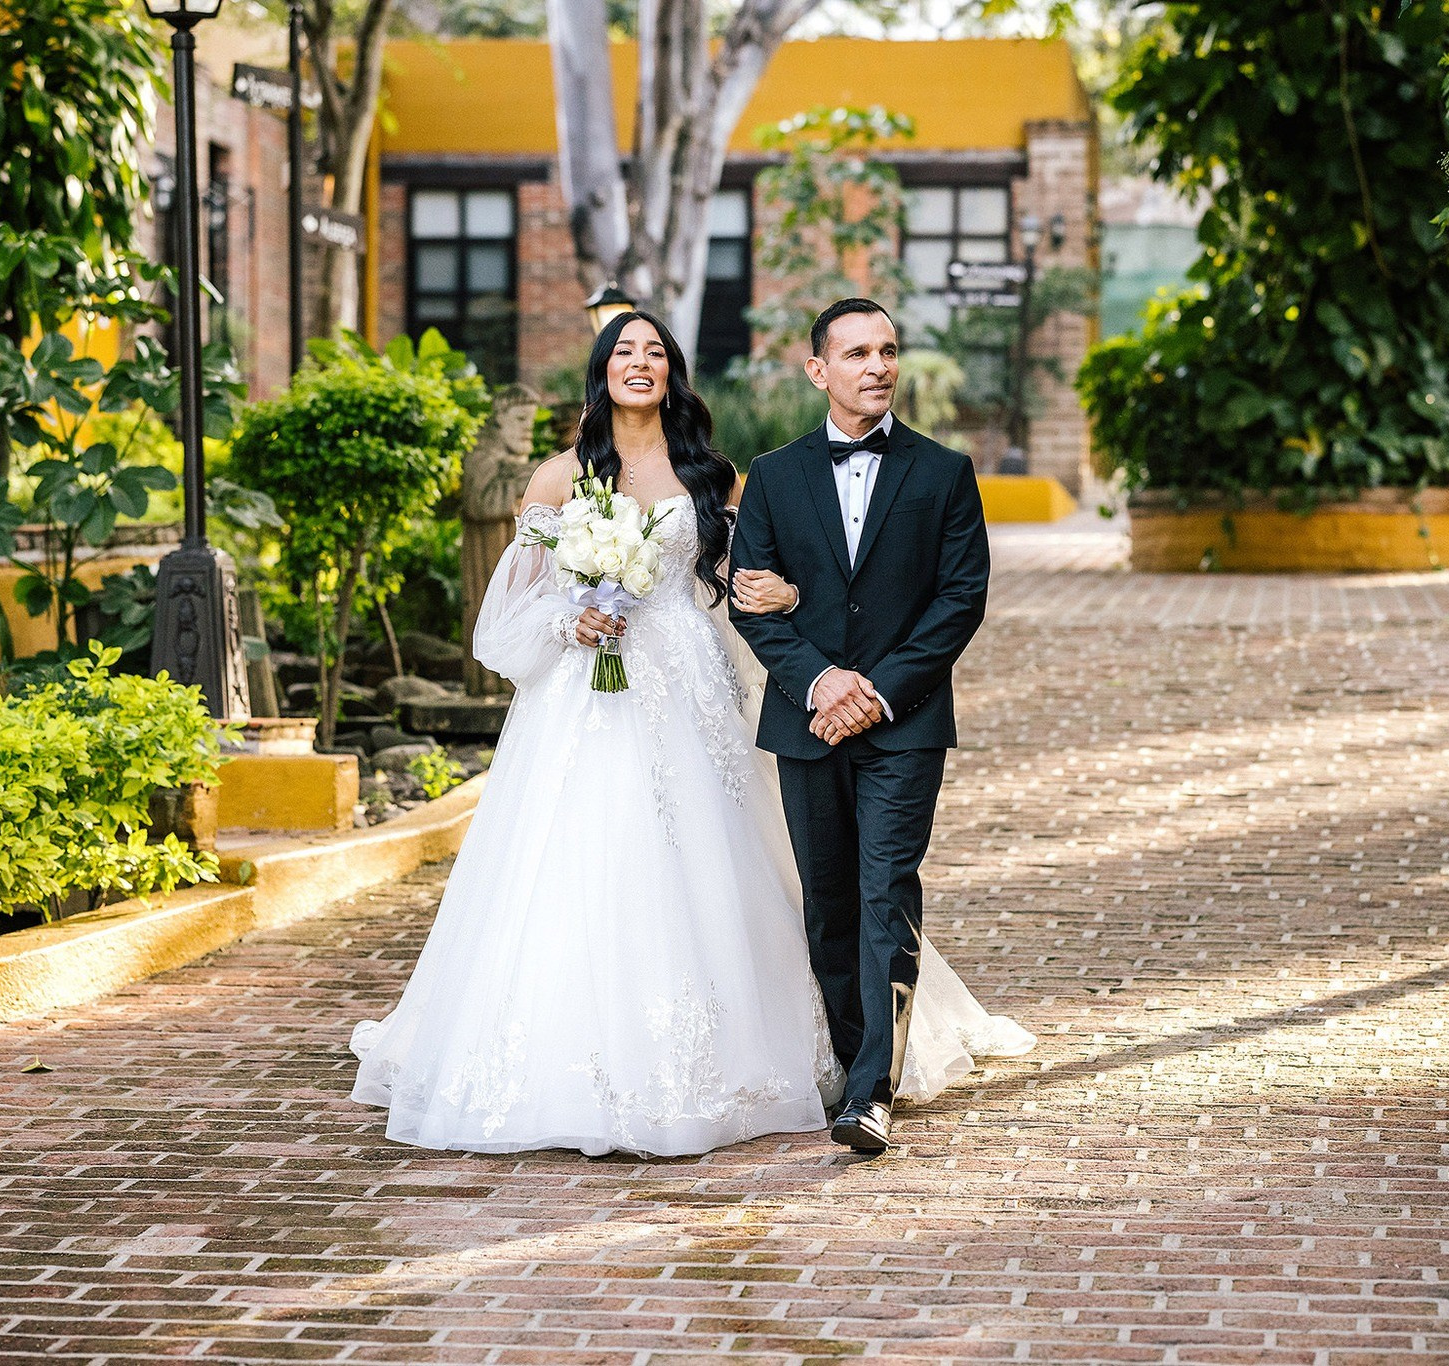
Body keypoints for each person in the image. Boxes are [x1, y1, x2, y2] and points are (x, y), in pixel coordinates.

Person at [348, 310, 1029, 1157]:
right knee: (590, 865)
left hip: (692, 689)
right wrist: (573, 622)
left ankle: (857, 1071)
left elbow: (769, 580)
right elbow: (506, 617)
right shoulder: (560, 477)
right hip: (588, 704)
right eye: (624, 352)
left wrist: (793, 615)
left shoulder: (716, 476)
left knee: (737, 862)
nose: (642, 363)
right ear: (601, 372)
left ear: (673, 372)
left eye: (657, 352)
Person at [729, 297, 995, 1154]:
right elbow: (753, 601)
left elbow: (960, 601)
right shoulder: (770, 476)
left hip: (903, 724)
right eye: (856, 353)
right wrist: (820, 681)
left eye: (887, 350)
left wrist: (875, 690)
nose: (876, 366)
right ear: (819, 370)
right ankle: (855, 1062)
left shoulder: (944, 471)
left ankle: (871, 1091)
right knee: (829, 905)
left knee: (888, 895)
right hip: (807, 722)